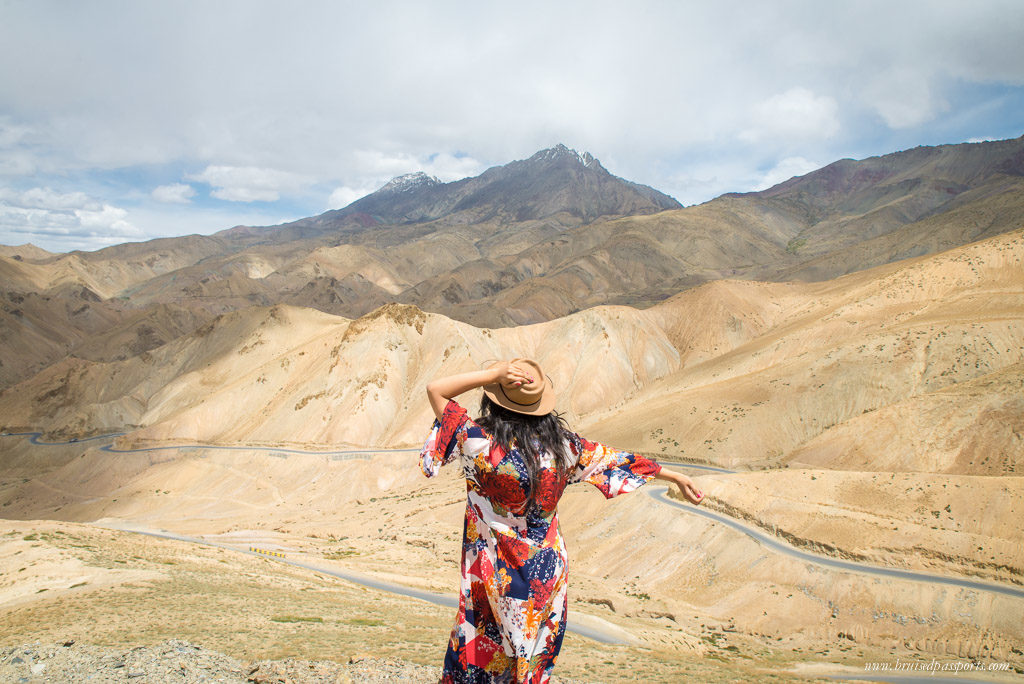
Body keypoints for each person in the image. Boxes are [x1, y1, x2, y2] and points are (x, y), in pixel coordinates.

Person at [421, 358, 704, 683]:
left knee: (480, 655)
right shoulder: (564, 449)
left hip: (496, 574)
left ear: (494, 400)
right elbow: (618, 461)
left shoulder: (479, 444)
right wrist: (675, 476)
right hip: (546, 573)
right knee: (531, 660)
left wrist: (492, 375)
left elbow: (436, 390)